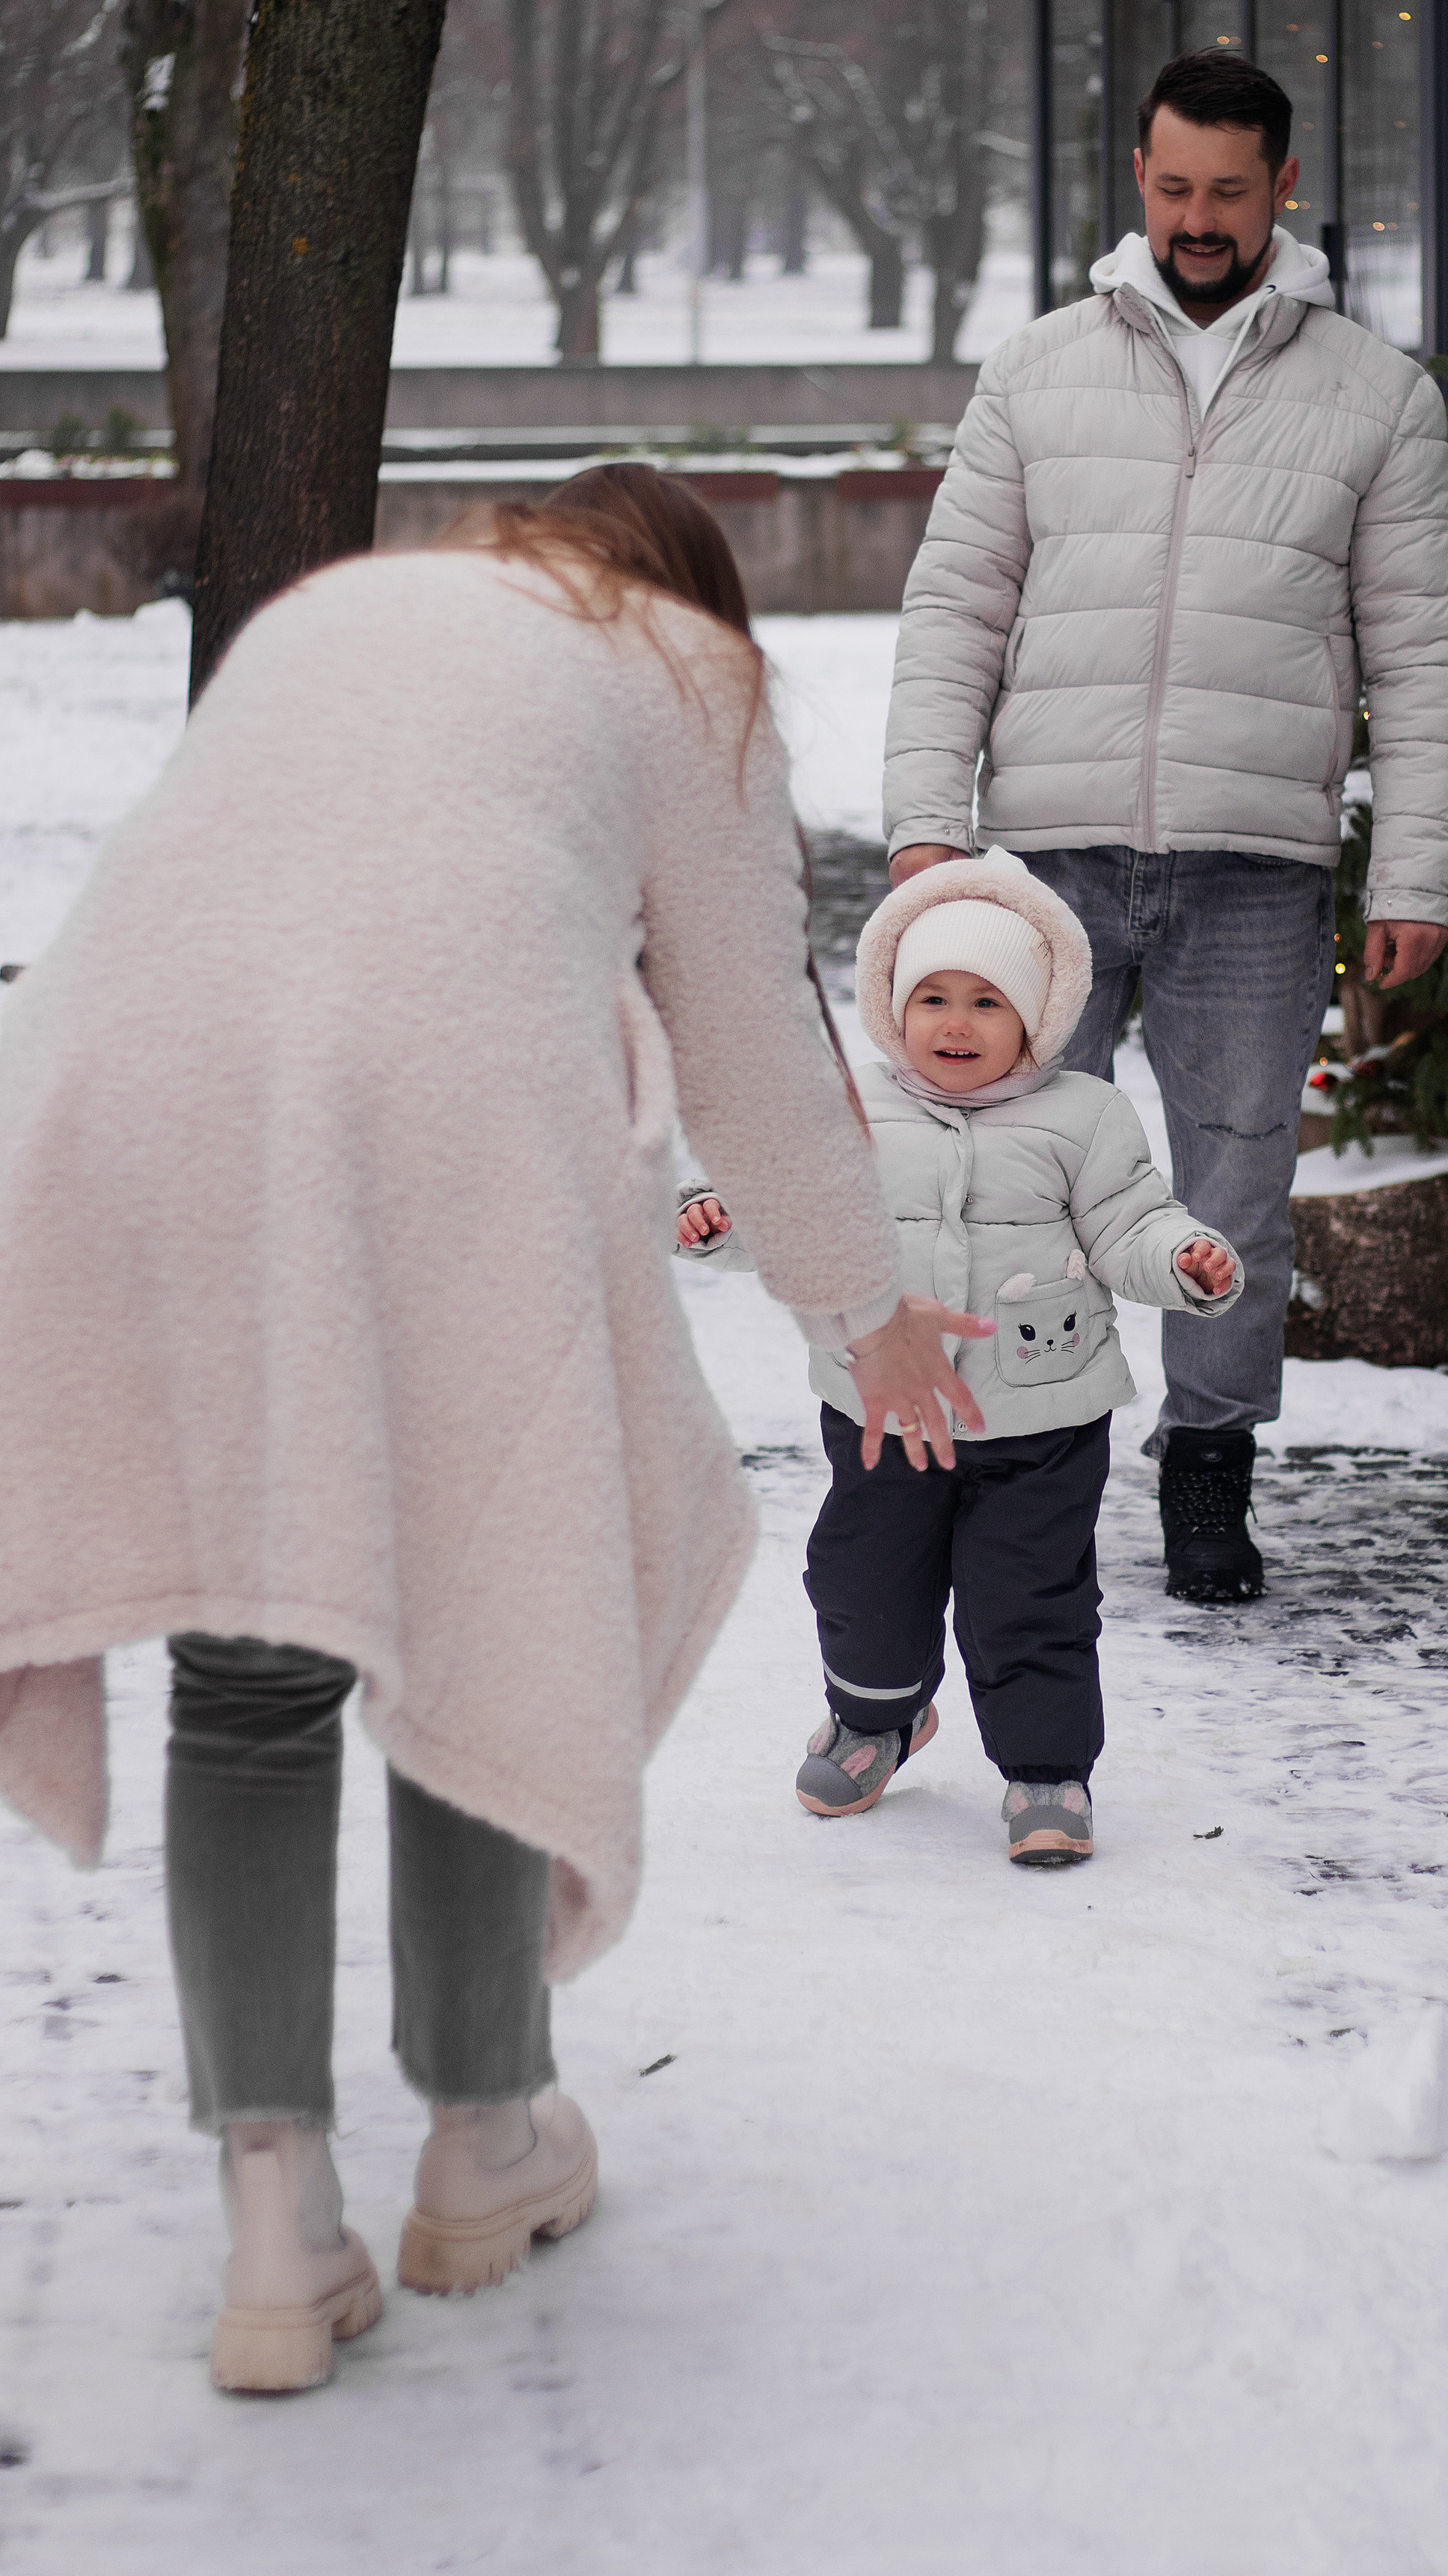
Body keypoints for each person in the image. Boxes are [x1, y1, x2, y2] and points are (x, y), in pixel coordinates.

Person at [0, 465, 988, 2393]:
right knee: (483, 1592)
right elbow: (752, 1050)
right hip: (430, 1106)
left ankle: (276, 2221)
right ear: (693, 595)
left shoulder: (342, 607)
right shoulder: (686, 673)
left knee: (250, 1664)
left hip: (111, 1084)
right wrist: (867, 1316)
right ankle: (481, 2136)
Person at [883, 46, 1448, 1607]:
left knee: (1232, 1189)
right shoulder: (1037, 371)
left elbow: (1423, 655)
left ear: (1283, 187)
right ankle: (1013, 1449)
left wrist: (1414, 872)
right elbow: (956, 607)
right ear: (1137, 181)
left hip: (1255, 863)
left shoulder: (1376, 396)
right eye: (1172, 188)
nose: (1197, 219)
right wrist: (926, 825)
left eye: (1228, 190)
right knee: (1008, 1170)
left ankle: (1209, 1458)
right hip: (1048, 859)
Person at [675, 849, 1242, 1866]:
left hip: (1042, 1420)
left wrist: (1182, 1259)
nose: (956, 1023)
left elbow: (1130, 1224)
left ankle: (1046, 1771)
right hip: (884, 1410)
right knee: (861, 1582)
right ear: (895, 1008)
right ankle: (877, 1718)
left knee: (1032, 1599)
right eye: (932, 998)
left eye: (987, 1002)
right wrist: (724, 1219)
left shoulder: (1084, 1116)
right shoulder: (851, 1108)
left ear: (1037, 1017)